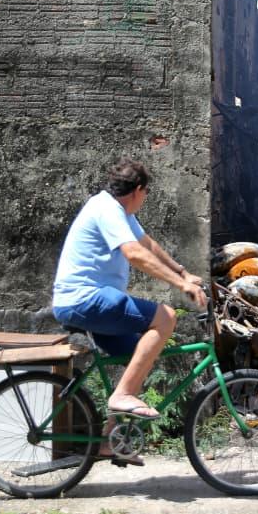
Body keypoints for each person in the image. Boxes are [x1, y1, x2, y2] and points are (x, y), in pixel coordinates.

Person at [52, 158, 207, 425]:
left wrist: (183, 273)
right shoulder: (106, 209)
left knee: (140, 357)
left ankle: (110, 439)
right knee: (166, 317)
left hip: (92, 301)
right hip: (85, 298)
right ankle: (121, 395)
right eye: (146, 193)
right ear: (138, 190)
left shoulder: (120, 213)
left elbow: (147, 244)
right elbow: (134, 253)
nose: (145, 199)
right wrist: (181, 286)